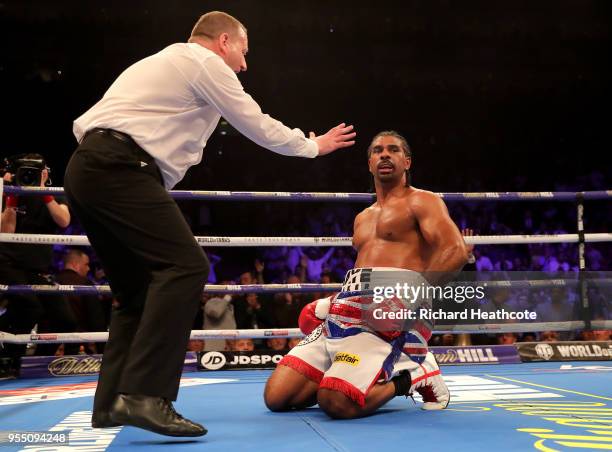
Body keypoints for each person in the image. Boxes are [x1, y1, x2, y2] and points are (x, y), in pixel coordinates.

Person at [63, 11, 355, 437]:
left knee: (135, 292)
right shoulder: (205, 64)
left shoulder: (164, 63)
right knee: (187, 266)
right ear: (223, 41)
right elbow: (255, 123)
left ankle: (110, 404)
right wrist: (311, 145)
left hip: (90, 168)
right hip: (119, 169)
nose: (244, 64)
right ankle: (146, 396)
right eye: (243, 51)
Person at [264, 130, 468, 419]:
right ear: (370, 164)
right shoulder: (363, 217)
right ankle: (352, 373)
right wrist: (334, 300)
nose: (384, 154)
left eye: (393, 149)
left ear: (407, 162)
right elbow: (365, 272)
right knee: (277, 397)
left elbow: (455, 251)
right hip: (348, 312)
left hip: (395, 313)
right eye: (377, 151)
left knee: (335, 402)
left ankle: (414, 375)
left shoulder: (422, 201)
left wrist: (410, 297)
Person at [0, 155, 74, 362]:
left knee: (65, 320)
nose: (29, 175)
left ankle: (41, 362)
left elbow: (64, 220)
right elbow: (7, 231)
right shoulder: (7, 191)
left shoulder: (54, 194)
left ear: (46, 173)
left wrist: (44, 193)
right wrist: (12, 197)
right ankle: (9, 359)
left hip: (37, 270)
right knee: (30, 306)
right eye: (26, 171)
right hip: (9, 265)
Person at [55, 249, 107, 354]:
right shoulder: (84, 283)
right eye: (86, 264)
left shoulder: (52, 281)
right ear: (75, 264)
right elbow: (96, 319)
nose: (88, 269)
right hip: (79, 344)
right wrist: (102, 348)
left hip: (52, 344)